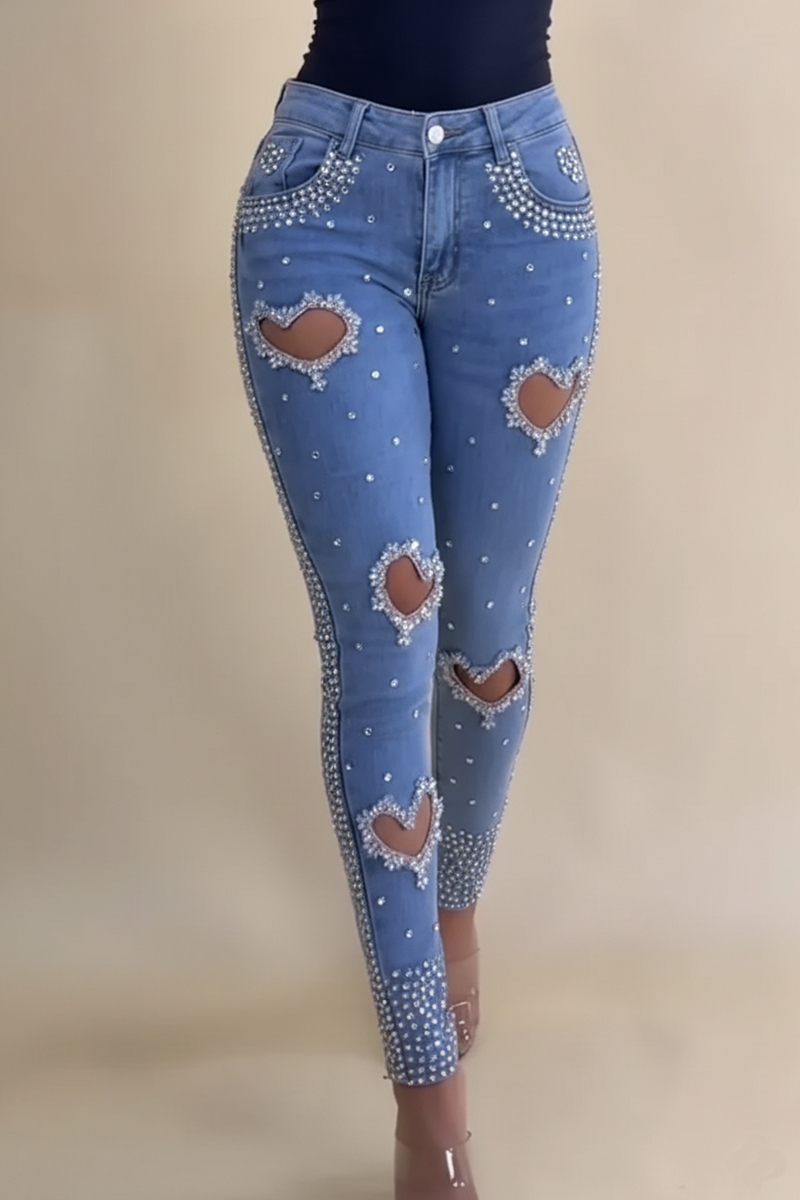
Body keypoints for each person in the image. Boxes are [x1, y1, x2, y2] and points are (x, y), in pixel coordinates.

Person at [230, 2, 601, 1194]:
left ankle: (453, 905)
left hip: (522, 202)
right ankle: (426, 1102)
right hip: (324, 200)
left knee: (485, 638)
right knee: (386, 634)